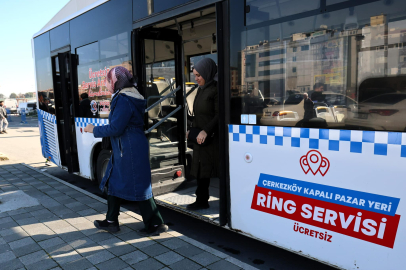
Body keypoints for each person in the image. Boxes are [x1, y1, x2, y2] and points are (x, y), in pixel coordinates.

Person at [84, 66, 168, 236]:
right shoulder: (129, 95)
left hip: (128, 147)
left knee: (139, 184)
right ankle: (111, 221)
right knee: (114, 180)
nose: (107, 84)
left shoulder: (123, 99)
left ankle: (155, 224)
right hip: (127, 145)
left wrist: (94, 129)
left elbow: (116, 127)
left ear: (116, 81)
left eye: (108, 81)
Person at [186, 58, 219, 210]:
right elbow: (199, 113)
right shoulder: (201, 89)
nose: (196, 78)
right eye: (195, 75)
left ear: (207, 73)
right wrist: (192, 130)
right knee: (200, 169)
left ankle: (205, 200)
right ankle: (201, 200)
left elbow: (219, 115)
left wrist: (206, 130)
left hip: (210, 138)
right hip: (200, 136)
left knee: (207, 168)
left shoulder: (215, 90)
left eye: (199, 75)